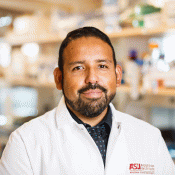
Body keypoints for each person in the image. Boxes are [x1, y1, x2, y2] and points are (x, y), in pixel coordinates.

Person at [0, 27, 174, 175]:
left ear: (118, 75)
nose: (92, 79)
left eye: (102, 66)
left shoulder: (149, 137)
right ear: (59, 78)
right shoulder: (25, 143)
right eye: (78, 68)